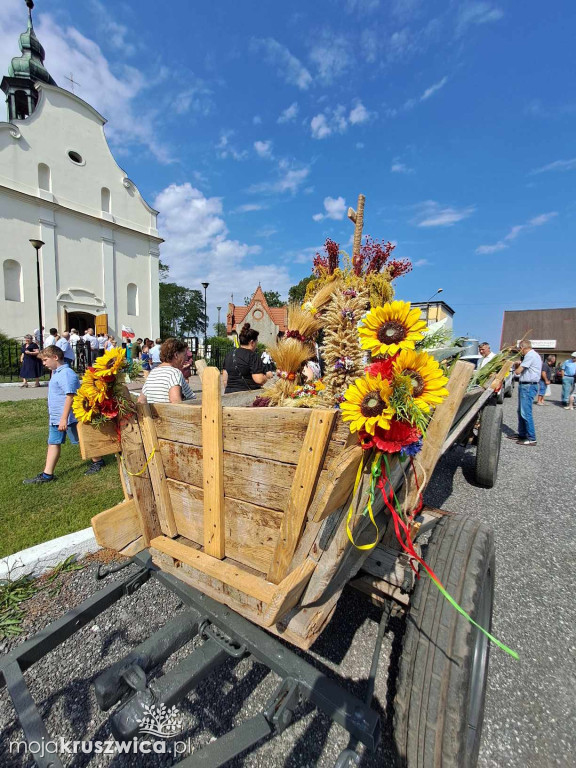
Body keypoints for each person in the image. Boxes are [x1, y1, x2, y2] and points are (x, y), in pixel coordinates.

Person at [22, 346, 104, 484]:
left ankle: (98, 461)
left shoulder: (66, 373)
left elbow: (70, 396)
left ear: (55, 357)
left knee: (82, 441)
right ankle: (47, 475)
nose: (43, 363)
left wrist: (64, 418)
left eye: (45, 360)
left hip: (69, 418)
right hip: (56, 418)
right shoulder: (56, 372)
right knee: (53, 442)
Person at [140, 338, 196, 404]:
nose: (186, 358)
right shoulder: (174, 373)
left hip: (154, 413)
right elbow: (175, 402)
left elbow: (141, 400)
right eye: (184, 355)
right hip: (171, 413)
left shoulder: (153, 373)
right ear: (176, 355)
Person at [508, 340, 542, 446]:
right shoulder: (532, 355)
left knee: (526, 412)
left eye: (520, 349)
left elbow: (518, 371)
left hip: (528, 386)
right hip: (526, 385)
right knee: (521, 411)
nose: (520, 351)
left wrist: (515, 366)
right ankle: (522, 434)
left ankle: (531, 438)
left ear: (522, 347)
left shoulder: (530, 355)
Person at [222, 323, 273, 393]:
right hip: (246, 396)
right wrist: (267, 376)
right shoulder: (252, 356)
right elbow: (259, 379)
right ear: (252, 342)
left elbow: (225, 380)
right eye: (256, 341)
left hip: (229, 394)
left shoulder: (229, 355)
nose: (257, 345)